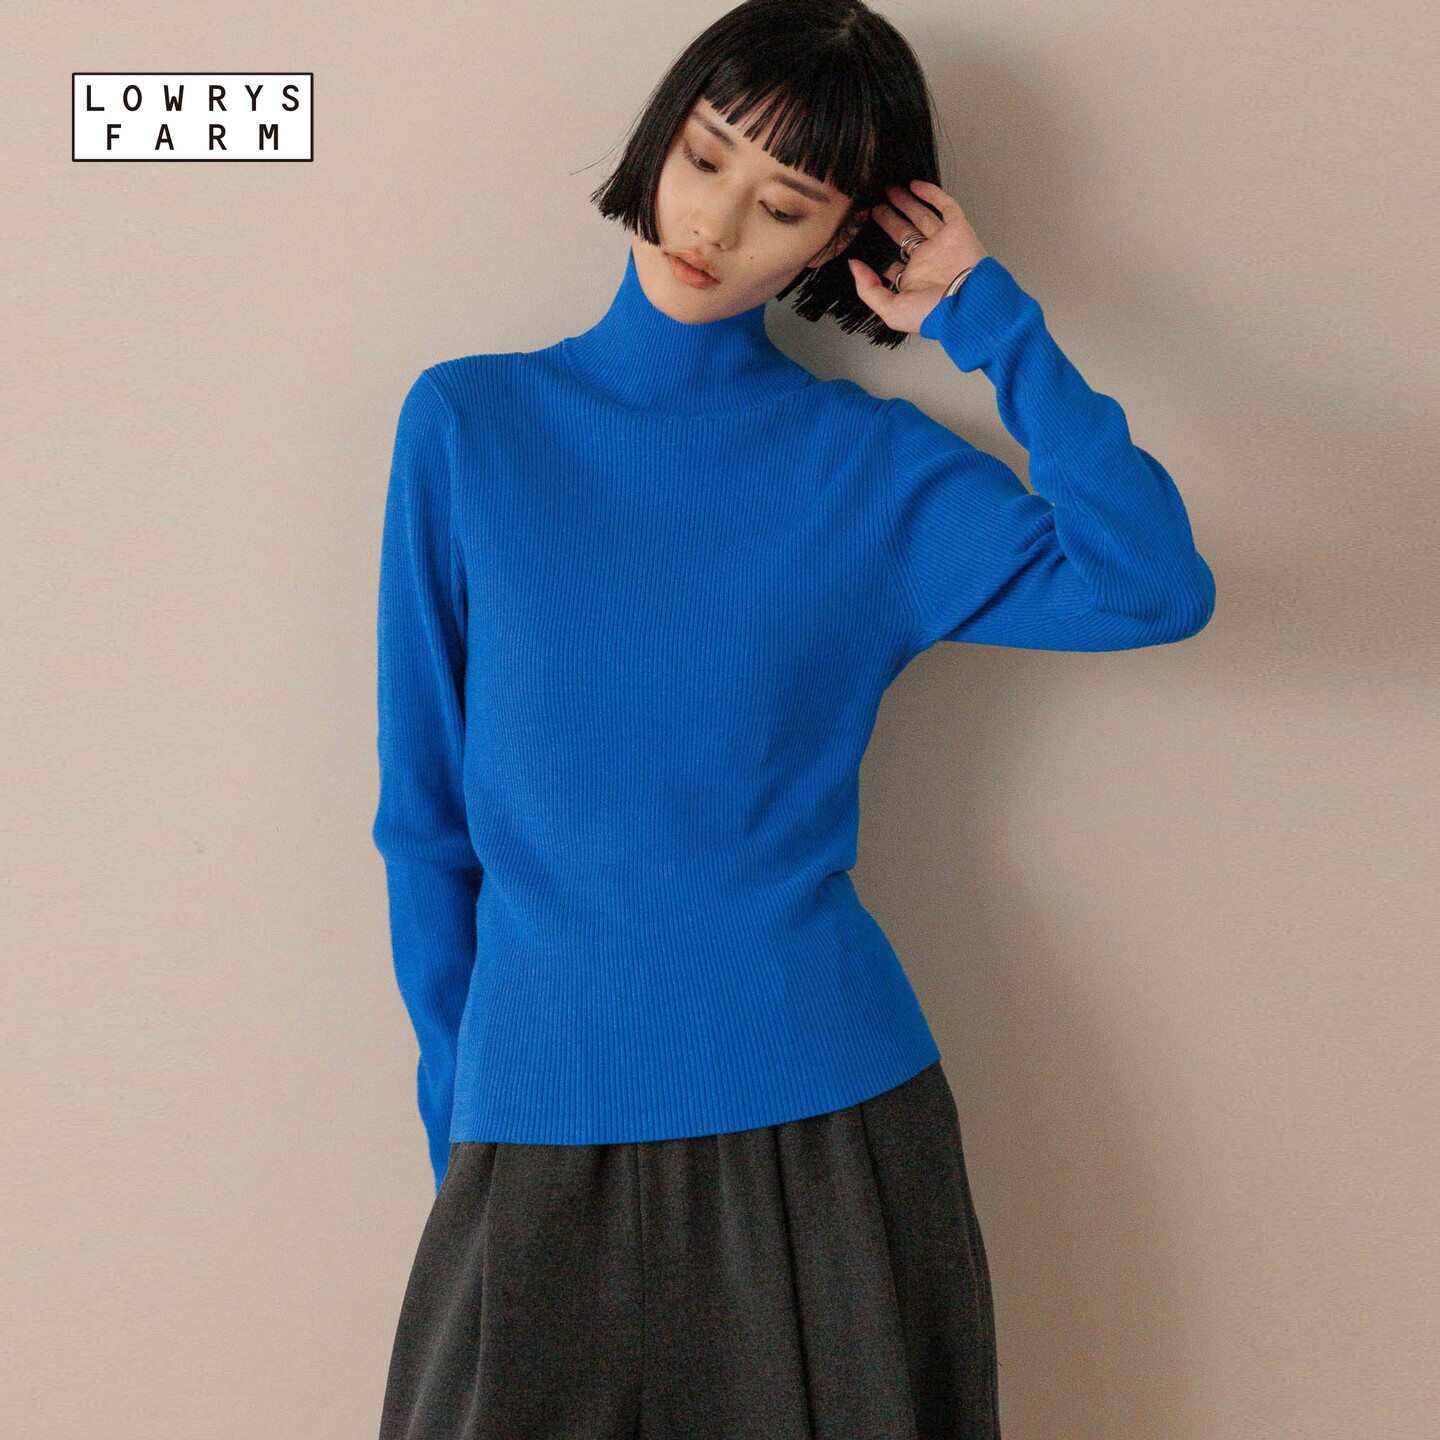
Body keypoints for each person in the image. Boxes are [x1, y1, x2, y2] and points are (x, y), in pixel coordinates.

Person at [369, 2, 1216, 1436]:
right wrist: (465, 1117)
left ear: (841, 238)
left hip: (820, 1123)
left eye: (785, 204)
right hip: (537, 1112)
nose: (714, 224)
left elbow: (1152, 588)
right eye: (706, 159)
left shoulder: (867, 471)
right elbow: (426, 823)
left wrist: (989, 320)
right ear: (660, 137)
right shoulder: (470, 426)